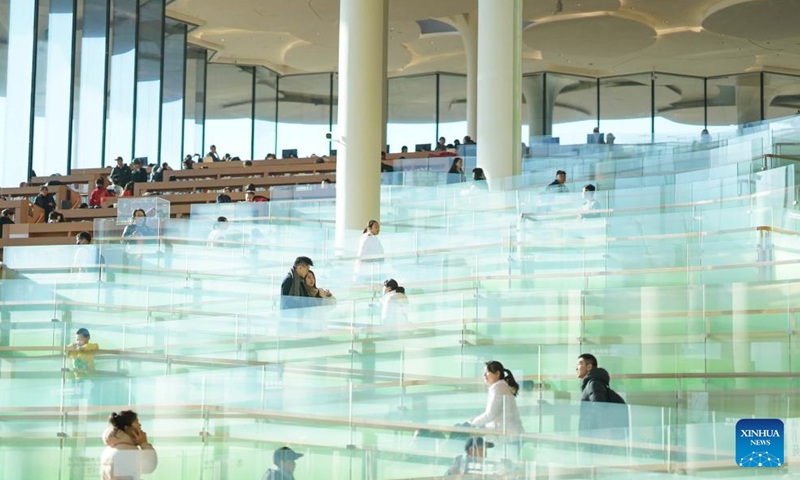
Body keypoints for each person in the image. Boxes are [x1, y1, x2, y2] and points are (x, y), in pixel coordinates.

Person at [467, 360, 524, 456]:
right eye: (483, 373)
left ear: (497, 373)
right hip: (510, 436)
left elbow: (491, 414)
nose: (484, 376)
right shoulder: (501, 386)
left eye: (487, 373)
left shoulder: (498, 387)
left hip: (509, 438)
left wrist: (472, 423)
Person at [575, 353, 628, 441]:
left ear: (589, 367)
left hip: (597, 436)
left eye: (579, 364)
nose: (576, 368)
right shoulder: (594, 383)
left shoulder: (593, 383)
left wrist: (602, 434)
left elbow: (599, 408)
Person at [100, 410, 158, 480]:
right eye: (137, 422)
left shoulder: (109, 450)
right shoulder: (127, 451)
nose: (140, 425)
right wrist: (144, 443)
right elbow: (149, 467)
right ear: (127, 428)